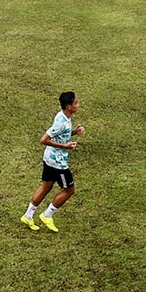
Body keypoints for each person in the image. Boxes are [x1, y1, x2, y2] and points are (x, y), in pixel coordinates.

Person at [21, 91, 85, 232]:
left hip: (49, 158)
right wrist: (65, 146)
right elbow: (44, 140)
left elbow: (61, 133)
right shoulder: (61, 122)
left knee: (46, 187)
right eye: (76, 103)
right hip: (58, 163)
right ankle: (47, 215)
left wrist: (74, 132)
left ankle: (28, 215)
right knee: (69, 190)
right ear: (69, 106)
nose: (78, 105)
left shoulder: (63, 116)